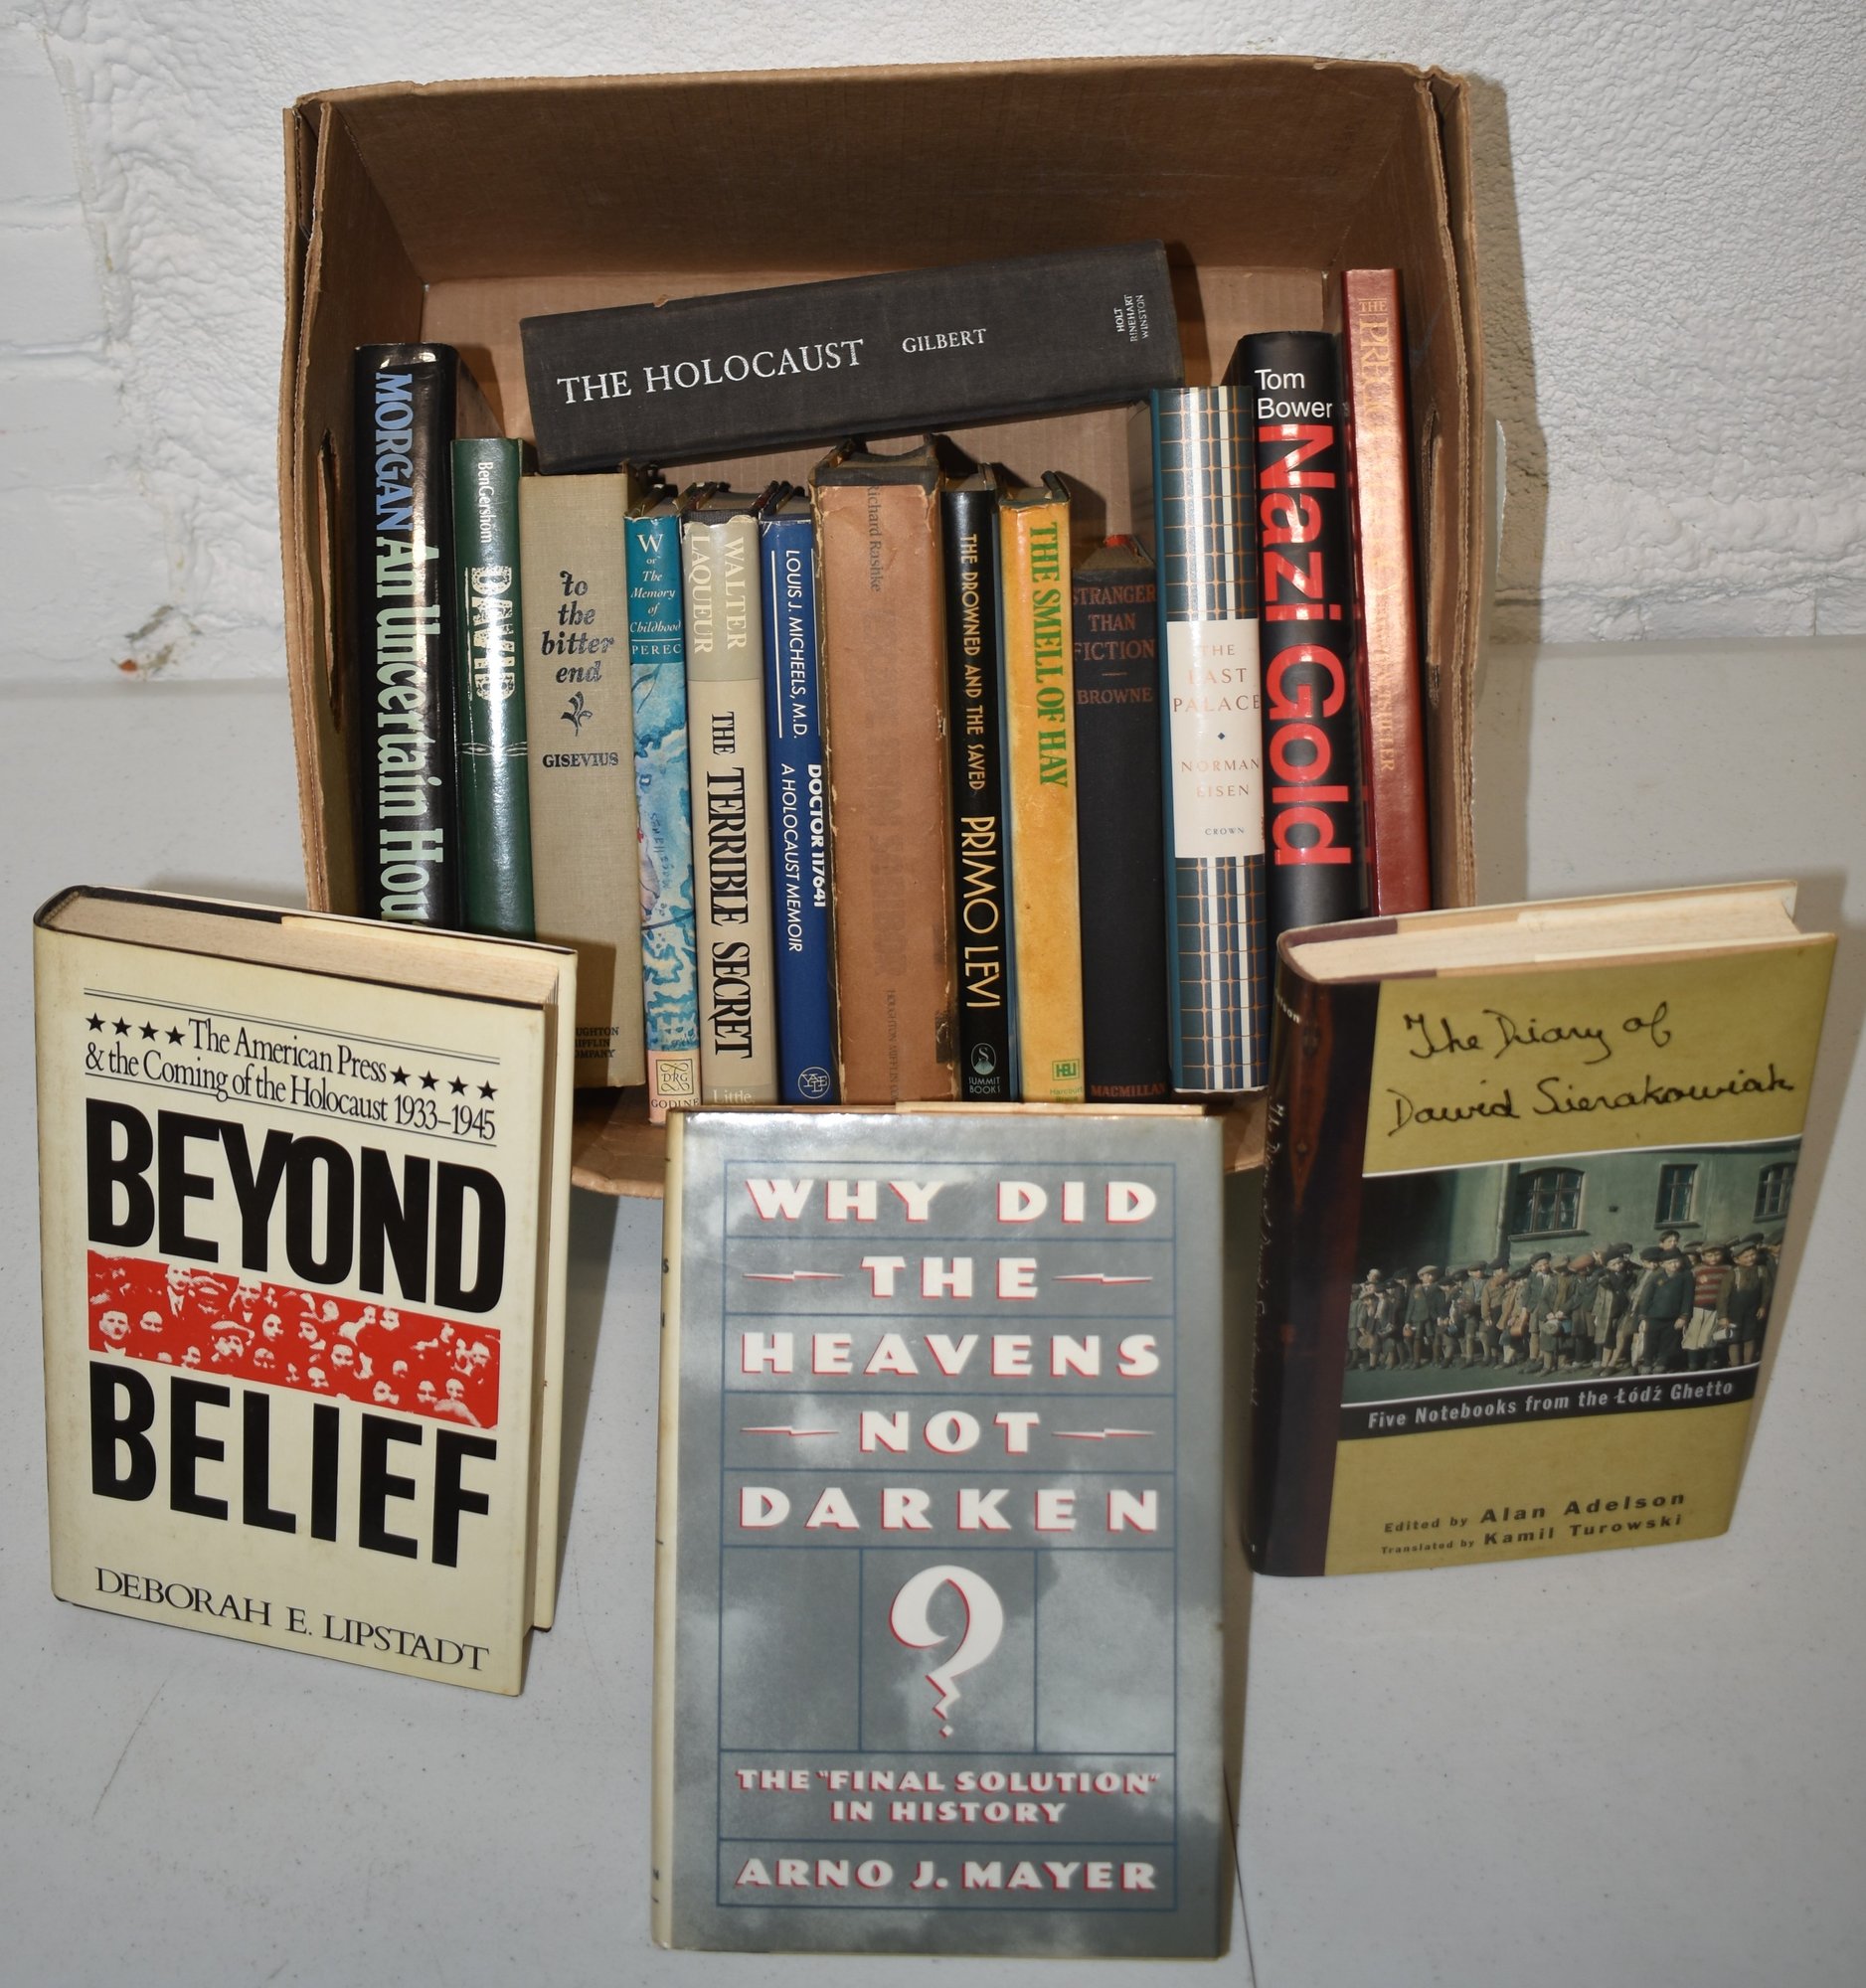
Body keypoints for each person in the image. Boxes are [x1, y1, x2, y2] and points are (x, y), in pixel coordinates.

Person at [1635, 1243, 1694, 1374]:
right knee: (1650, 1341)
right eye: (1670, 1263)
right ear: (1662, 1264)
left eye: (1676, 1261)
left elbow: (1688, 1297)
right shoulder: (1656, 1277)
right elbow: (1646, 1297)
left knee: (1668, 1342)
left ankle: (1662, 1362)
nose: (1674, 1265)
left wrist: (1683, 1316)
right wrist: (1643, 1317)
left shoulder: (1686, 1276)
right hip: (1653, 1316)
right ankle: (1647, 1362)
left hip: (1673, 1317)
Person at [1682, 1242, 1736, 1370]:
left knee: (1711, 1337)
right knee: (1693, 1335)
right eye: (1710, 1255)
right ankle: (1693, 1364)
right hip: (1697, 1309)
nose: (1713, 1258)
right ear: (1702, 1256)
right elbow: (1688, 1290)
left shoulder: (1728, 1269)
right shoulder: (1696, 1270)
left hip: (1716, 1309)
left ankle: (1710, 1362)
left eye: (1717, 1255)